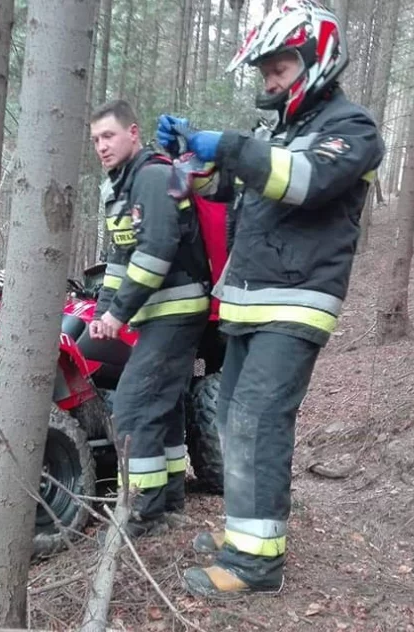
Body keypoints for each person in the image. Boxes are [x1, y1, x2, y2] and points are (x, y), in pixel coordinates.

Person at [156, 0, 385, 596]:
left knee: (258, 422)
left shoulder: (350, 129)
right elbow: (222, 188)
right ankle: (245, 537)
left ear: (315, 58)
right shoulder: (276, 133)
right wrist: (187, 157)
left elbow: (304, 181)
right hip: (250, 303)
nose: (269, 81)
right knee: (232, 422)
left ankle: (257, 565)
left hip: (296, 302)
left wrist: (228, 145)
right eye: (264, 71)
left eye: (278, 67)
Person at [87, 99, 212, 537]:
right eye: (96, 139)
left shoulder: (154, 176)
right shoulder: (120, 189)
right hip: (158, 313)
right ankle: (169, 500)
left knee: (134, 405)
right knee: (162, 405)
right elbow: (120, 260)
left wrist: (119, 314)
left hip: (177, 309)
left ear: (133, 133)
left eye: (109, 136)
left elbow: (156, 253)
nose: (102, 146)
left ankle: (140, 510)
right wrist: (103, 312)